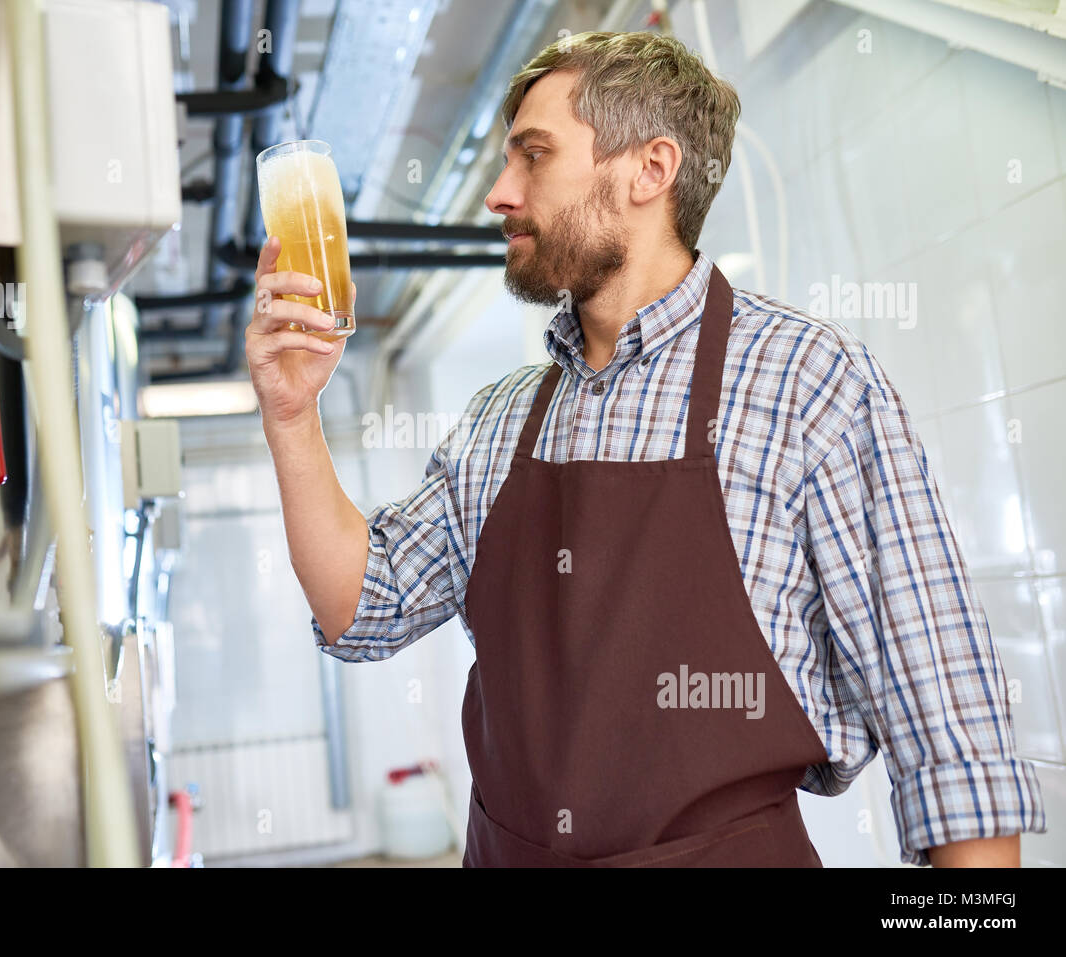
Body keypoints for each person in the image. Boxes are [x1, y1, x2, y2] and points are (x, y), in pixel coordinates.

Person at [244, 31, 1043, 867]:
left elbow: (952, 734)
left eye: (533, 156)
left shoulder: (805, 383)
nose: (498, 194)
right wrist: (293, 417)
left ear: (650, 170)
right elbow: (361, 606)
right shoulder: (500, 420)